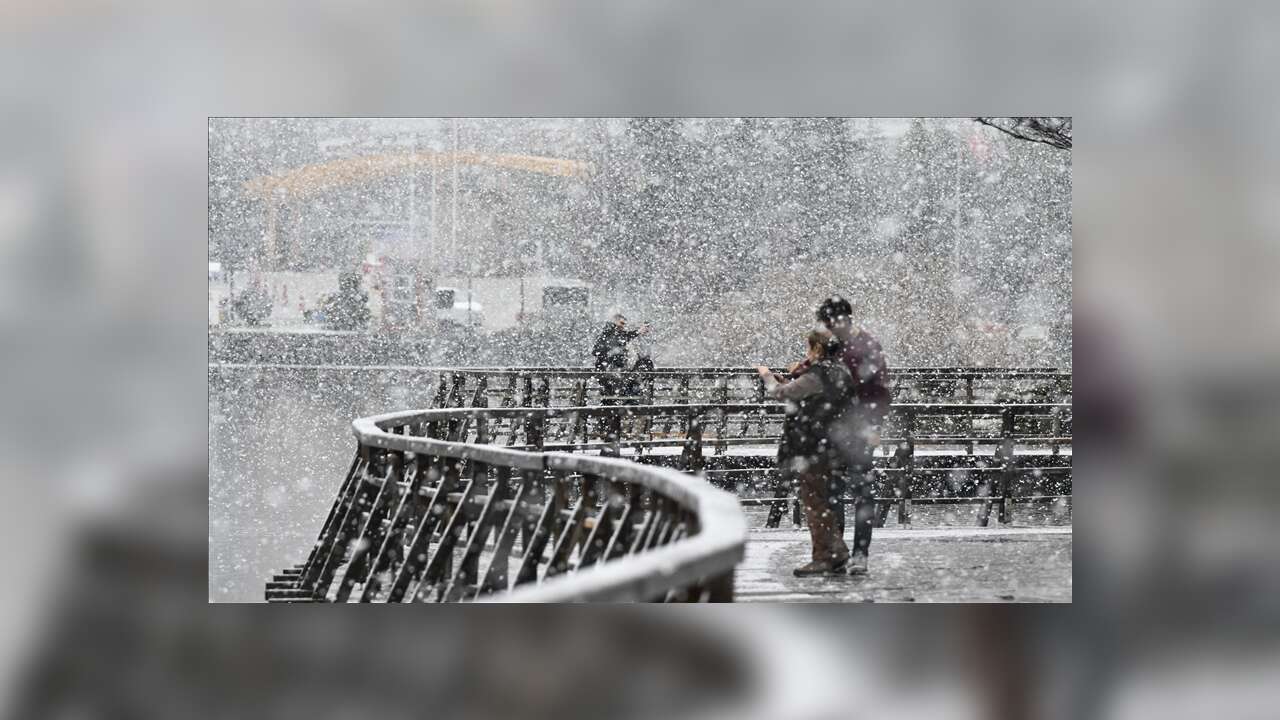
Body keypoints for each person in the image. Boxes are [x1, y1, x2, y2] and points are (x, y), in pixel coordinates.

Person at [756, 330, 854, 577]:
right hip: (836, 444)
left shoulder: (819, 374)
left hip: (814, 446)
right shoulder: (841, 371)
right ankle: (837, 550)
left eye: (809, 348)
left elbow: (782, 394)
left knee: (814, 501)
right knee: (825, 500)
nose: (807, 353)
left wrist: (768, 377)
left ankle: (822, 556)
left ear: (818, 350)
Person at [816, 295, 891, 576]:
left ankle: (855, 552)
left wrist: (874, 425)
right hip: (839, 427)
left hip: (854, 427)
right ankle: (843, 551)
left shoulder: (863, 346)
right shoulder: (851, 344)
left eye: (829, 322)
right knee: (843, 492)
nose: (828, 327)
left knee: (853, 492)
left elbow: (879, 389)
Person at [591, 314, 650, 403]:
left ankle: (619, 405)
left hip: (613, 372)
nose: (623, 326)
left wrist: (638, 332)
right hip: (608, 372)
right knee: (612, 396)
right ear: (614, 322)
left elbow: (623, 337)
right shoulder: (609, 334)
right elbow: (621, 338)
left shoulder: (612, 334)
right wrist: (637, 332)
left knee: (613, 396)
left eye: (624, 324)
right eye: (621, 323)